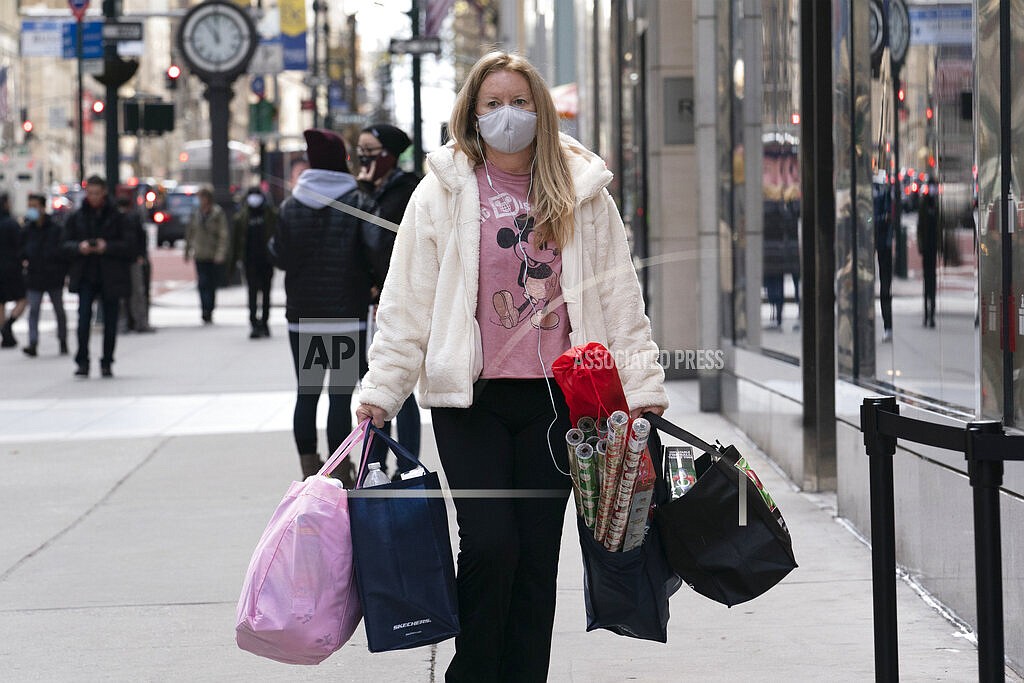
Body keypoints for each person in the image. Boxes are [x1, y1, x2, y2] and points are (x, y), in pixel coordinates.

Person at [355, 52, 668, 681]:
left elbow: (618, 296)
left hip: (559, 404)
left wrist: (641, 388)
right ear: (472, 111)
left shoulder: (582, 191)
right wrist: (381, 390)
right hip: (470, 401)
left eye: (520, 102)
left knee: (536, 558)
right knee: (491, 545)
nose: (507, 115)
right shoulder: (441, 191)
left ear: (541, 110)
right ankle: (472, 673)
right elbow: (407, 302)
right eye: (493, 103)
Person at [269, 128, 394, 483]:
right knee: (340, 397)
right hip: (344, 316)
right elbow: (379, 250)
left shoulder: (292, 206)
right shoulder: (356, 201)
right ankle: (339, 468)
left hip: (303, 317)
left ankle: (310, 467)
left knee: (306, 394)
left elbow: (278, 254)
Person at [356, 122, 423, 464]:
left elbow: (388, 245)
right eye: (360, 150)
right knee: (377, 386)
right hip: (374, 296)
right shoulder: (371, 190)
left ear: (390, 155)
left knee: (403, 386)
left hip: (399, 295)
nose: (363, 157)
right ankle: (376, 461)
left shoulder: (408, 189)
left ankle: (407, 463)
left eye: (370, 150)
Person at [60, 175, 135, 377]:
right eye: (90, 193)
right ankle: (82, 361)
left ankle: (107, 361)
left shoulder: (117, 217)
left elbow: (129, 246)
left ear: (104, 193)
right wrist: (80, 247)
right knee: (83, 319)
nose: (93, 197)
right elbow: (64, 245)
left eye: (96, 193)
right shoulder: (77, 217)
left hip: (110, 275)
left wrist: (107, 247)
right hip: (85, 274)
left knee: (110, 322)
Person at [20, 193, 68, 357]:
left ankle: (62, 340)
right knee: (33, 310)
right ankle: (33, 342)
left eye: (34, 206)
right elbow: (22, 251)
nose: (32, 210)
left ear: (42, 207)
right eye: (30, 206)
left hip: (53, 275)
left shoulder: (55, 228)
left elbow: (62, 251)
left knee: (59, 310)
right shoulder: (27, 230)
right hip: (34, 275)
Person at [233, 186, 277, 339]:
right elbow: (237, 240)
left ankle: (264, 322)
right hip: (250, 261)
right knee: (252, 293)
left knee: (266, 293)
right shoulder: (242, 217)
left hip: (266, 260)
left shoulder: (270, 214)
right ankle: (254, 323)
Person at [184, 186, 229, 325]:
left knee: (211, 283)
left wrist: (220, 253)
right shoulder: (196, 213)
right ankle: (204, 309)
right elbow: (190, 232)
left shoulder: (217, 213)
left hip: (212, 253)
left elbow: (223, 234)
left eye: (202, 197)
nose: (200, 200)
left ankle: (209, 309)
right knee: (202, 282)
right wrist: (187, 250)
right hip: (199, 253)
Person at [117, 196, 154, 333]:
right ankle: (137, 322)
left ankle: (130, 323)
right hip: (128, 259)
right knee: (136, 292)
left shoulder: (127, 218)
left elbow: (141, 237)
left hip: (127, 259)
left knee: (133, 293)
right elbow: (142, 237)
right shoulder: (132, 218)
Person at [0, 193, 27, 348]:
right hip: (12, 267)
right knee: (22, 299)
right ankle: (8, 325)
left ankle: (5, 332)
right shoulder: (11, 223)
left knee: (1, 302)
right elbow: (20, 243)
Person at [872, 172, 894, 341]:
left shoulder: (883, 195)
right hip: (879, 243)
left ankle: (888, 326)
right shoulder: (881, 194)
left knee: (884, 287)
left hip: (881, 244)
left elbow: (884, 219)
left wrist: (872, 220)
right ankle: (886, 326)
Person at [918, 176, 939, 328]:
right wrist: (920, 246)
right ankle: (926, 313)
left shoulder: (937, 204)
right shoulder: (923, 204)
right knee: (928, 281)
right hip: (926, 247)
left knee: (933, 281)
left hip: (933, 248)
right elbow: (920, 227)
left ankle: (932, 313)